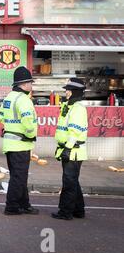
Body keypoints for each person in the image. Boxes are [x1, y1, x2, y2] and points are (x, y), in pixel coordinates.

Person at [0, 66, 39, 215]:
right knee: (18, 177)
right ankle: (12, 207)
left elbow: (0, 116)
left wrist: (9, 126)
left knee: (19, 176)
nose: (31, 85)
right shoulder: (24, 100)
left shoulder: (9, 97)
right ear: (24, 84)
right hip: (21, 144)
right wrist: (31, 134)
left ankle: (24, 204)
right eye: (30, 83)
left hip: (9, 144)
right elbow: (29, 122)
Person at [51, 78, 88, 220]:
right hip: (70, 150)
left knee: (69, 183)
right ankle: (78, 211)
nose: (65, 92)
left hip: (73, 151)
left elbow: (74, 132)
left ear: (74, 92)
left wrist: (67, 149)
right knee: (72, 181)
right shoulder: (69, 106)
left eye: (67, 90)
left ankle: (65, 212)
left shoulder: (78, 109)